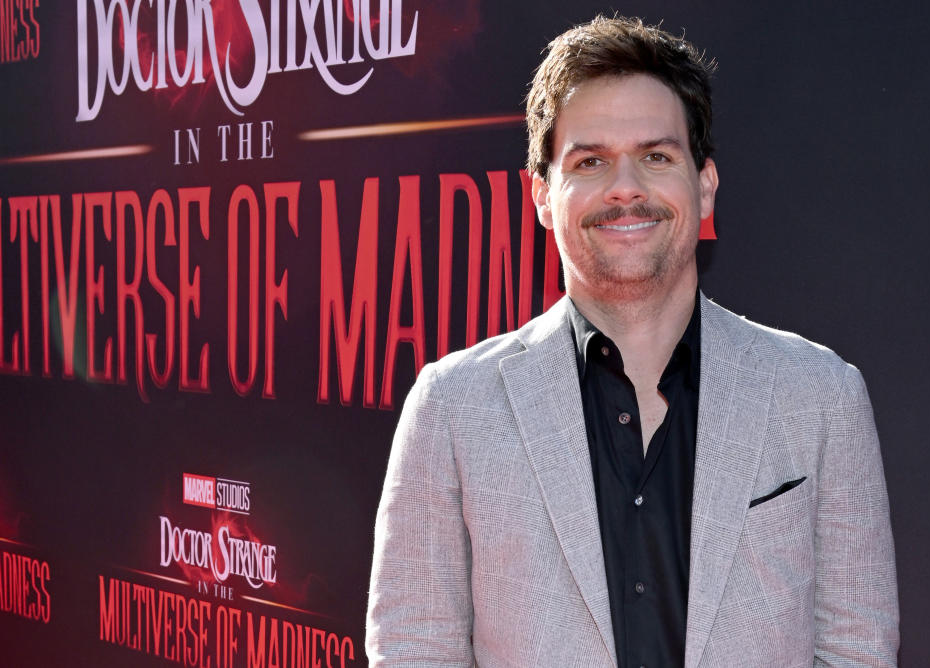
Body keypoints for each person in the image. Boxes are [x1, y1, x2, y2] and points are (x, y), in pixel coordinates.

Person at [366, 15, 898, 667]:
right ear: (540, 195)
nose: (625, 188)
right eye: (590, 161)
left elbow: (855, 648)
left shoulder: (819, 396)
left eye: (655, 156)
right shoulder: (452, 408)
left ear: (703, 186)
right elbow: (416, 650)